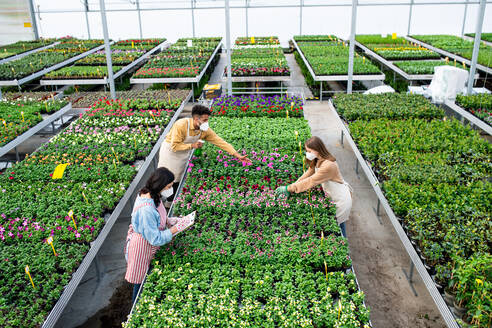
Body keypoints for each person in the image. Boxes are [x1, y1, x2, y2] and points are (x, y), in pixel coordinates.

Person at [158, 104, 251, 206]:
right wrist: (192, 145)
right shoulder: (181, 125)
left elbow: (220, 141)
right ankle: (160, 200)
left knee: (178, 178)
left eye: (207, 120)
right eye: (205, 120)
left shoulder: (204, 130)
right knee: (165, 178)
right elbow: (174, 146)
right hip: (170, 153)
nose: (207, 123)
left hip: (183, 153)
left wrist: (237, 155)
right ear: (196, 119)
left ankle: (171, 201)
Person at [125, 167, 194, 304]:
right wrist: (176, 228)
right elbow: (155, 238)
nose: (170, 189)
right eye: (168, 186)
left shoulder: (151, 194)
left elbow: (160, 218)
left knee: (147, 277)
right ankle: (134, 309)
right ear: (160, 185)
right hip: (141, 248)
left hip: (148, 241)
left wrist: (176, 221)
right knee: (140, 282)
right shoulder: (146, 210)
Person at [276, 136, 353, 238]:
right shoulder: (318, 159)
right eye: (307, 151)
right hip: (332, 196)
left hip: (340, 199)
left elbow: (311, 181)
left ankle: (344, 245)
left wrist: (289, 188)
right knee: (338, 224)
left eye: (309, 151)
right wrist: (294, 185)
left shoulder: (328, 165)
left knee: (337, 227)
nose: (307, 153)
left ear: (317, 150)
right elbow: (309, 172)